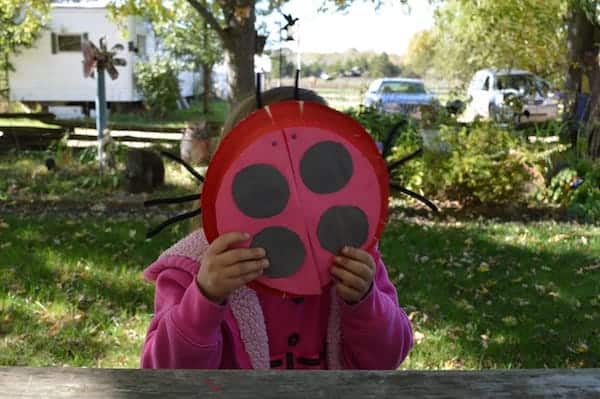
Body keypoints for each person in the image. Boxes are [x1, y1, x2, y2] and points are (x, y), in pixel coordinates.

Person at [140, 87, 413, 370]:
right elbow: (163, 372)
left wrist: (364, 302)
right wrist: (206, 297)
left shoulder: (354, 259)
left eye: (321, 171)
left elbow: (387, 360)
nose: (298, 198)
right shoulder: (193, 269)